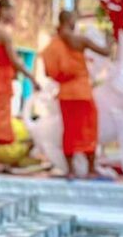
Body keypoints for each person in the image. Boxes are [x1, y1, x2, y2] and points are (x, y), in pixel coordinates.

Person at [41, 10, 112, 178]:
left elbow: (49, 71)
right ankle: (90, 169)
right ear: (70, 21)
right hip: (82, 92)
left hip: (66, 93)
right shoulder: (80, 40)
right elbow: (106, 52)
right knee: (89, 129)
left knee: (70, 131)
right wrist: (110, 39)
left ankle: (71, 170)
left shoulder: (53, 44)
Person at [0, 0, 39, 173]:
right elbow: (15, 60)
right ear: (2, 10)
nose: (13, 14)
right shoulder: (2, 32)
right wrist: (32, 78)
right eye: (11, 10)